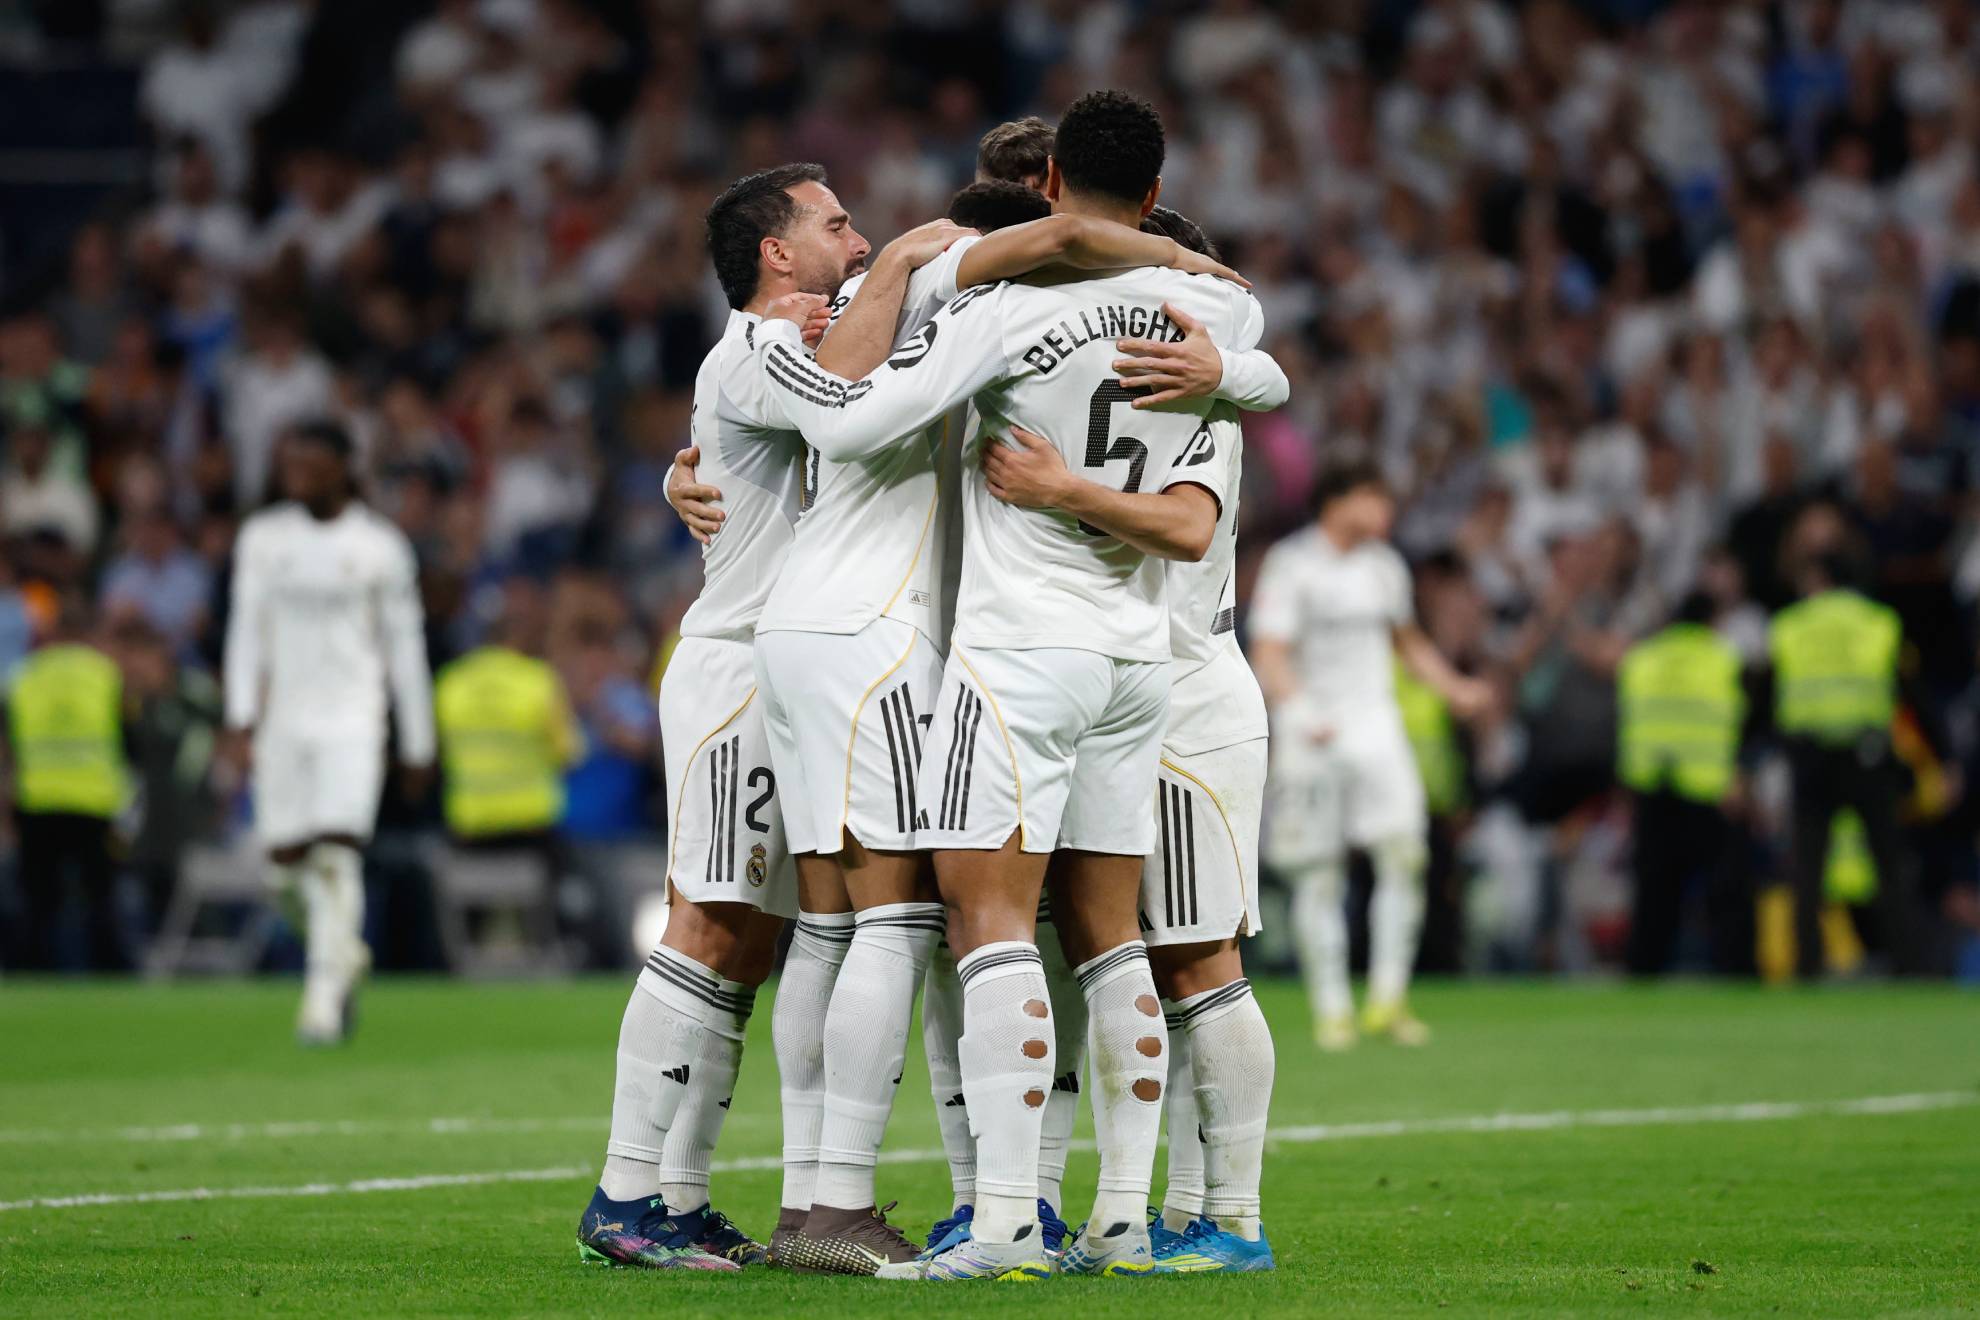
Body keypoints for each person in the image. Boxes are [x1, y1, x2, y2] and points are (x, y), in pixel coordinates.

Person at [748, 89, 1267, 1280]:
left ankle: (1001, 1228)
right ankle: (1126, 1223)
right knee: (1113, 944)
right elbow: (1208, 490)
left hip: (1019, 653)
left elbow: (853, 415)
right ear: (1149, 198)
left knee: (982, 933)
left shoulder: (996, 309)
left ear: (1045, 192)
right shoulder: (1206, 318)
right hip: (1143, 659)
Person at [976, 204, 1286, 1272]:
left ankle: (1231, 1217)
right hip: (1120, 679)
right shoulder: (1186, 372)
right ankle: (1125, 1209)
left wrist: (1064, 488)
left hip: (1192, 686)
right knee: (1097, 949)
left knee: (1201, 956)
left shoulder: (1206, 380)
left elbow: (1190, 519)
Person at [1252, 462, 1492, 1051]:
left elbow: (1405, 642)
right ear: (1338, 499)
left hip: (1375, 724)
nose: (1386, 508)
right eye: (1374, 495)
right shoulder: (1292, 564)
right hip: (1312, 728)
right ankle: (1333, 1008)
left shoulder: (1383, 566)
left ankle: (1387, 998)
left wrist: (1454, 688)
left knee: (1404, 852)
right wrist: (1301, 712)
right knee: (1319, 870)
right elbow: (1269, 651)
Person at [220, 419, 434, 1045]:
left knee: (337, 852)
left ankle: (322, 1000)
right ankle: (340, 949)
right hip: (283, 723)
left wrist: (416, 741)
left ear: (343, 467)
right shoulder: (264, 539)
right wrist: (239, 716)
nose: (297, 477)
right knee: (285, 868)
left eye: (309, 465)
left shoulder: (380, 547)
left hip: (352, 721)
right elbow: (244, 632)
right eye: (290, 466)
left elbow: (405, 647)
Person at [1766, 554, 1927, 977]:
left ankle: (1807, 967)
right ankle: (1909, 965)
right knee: (1889, 866)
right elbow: (1906, 689)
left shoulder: (1791, 624)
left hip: (1811, 756)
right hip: (1867, 755)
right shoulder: (1879, 622)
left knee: (1807, 871)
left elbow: (1772, 694)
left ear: (1819, 578)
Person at [1615, 592, 1749, 975]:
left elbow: (1628, 722)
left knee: (1653, 898)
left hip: (1652, 787)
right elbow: (1735, 719)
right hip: (1708, 789)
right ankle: (1735, 974)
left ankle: (1642, 975)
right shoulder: (1720, 656)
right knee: (1726, 897)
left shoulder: (1643, 658)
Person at [4, 601, 131, 971]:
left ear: (52, 633)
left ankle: (31, 973)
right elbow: (127, 742)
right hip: (93, 802)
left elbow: (9, 745)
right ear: (89, 634)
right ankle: (108, 972)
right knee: (100, 898)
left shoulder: (24, 675)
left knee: (38, 900)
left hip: (36, 800)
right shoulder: (105, 674)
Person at [432, 577, 581, 852]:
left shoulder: (450, 683)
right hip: (531, 824)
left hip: (470, 826)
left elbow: (437, 754)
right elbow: (570, 752)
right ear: (519, 632)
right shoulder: (539, 682)